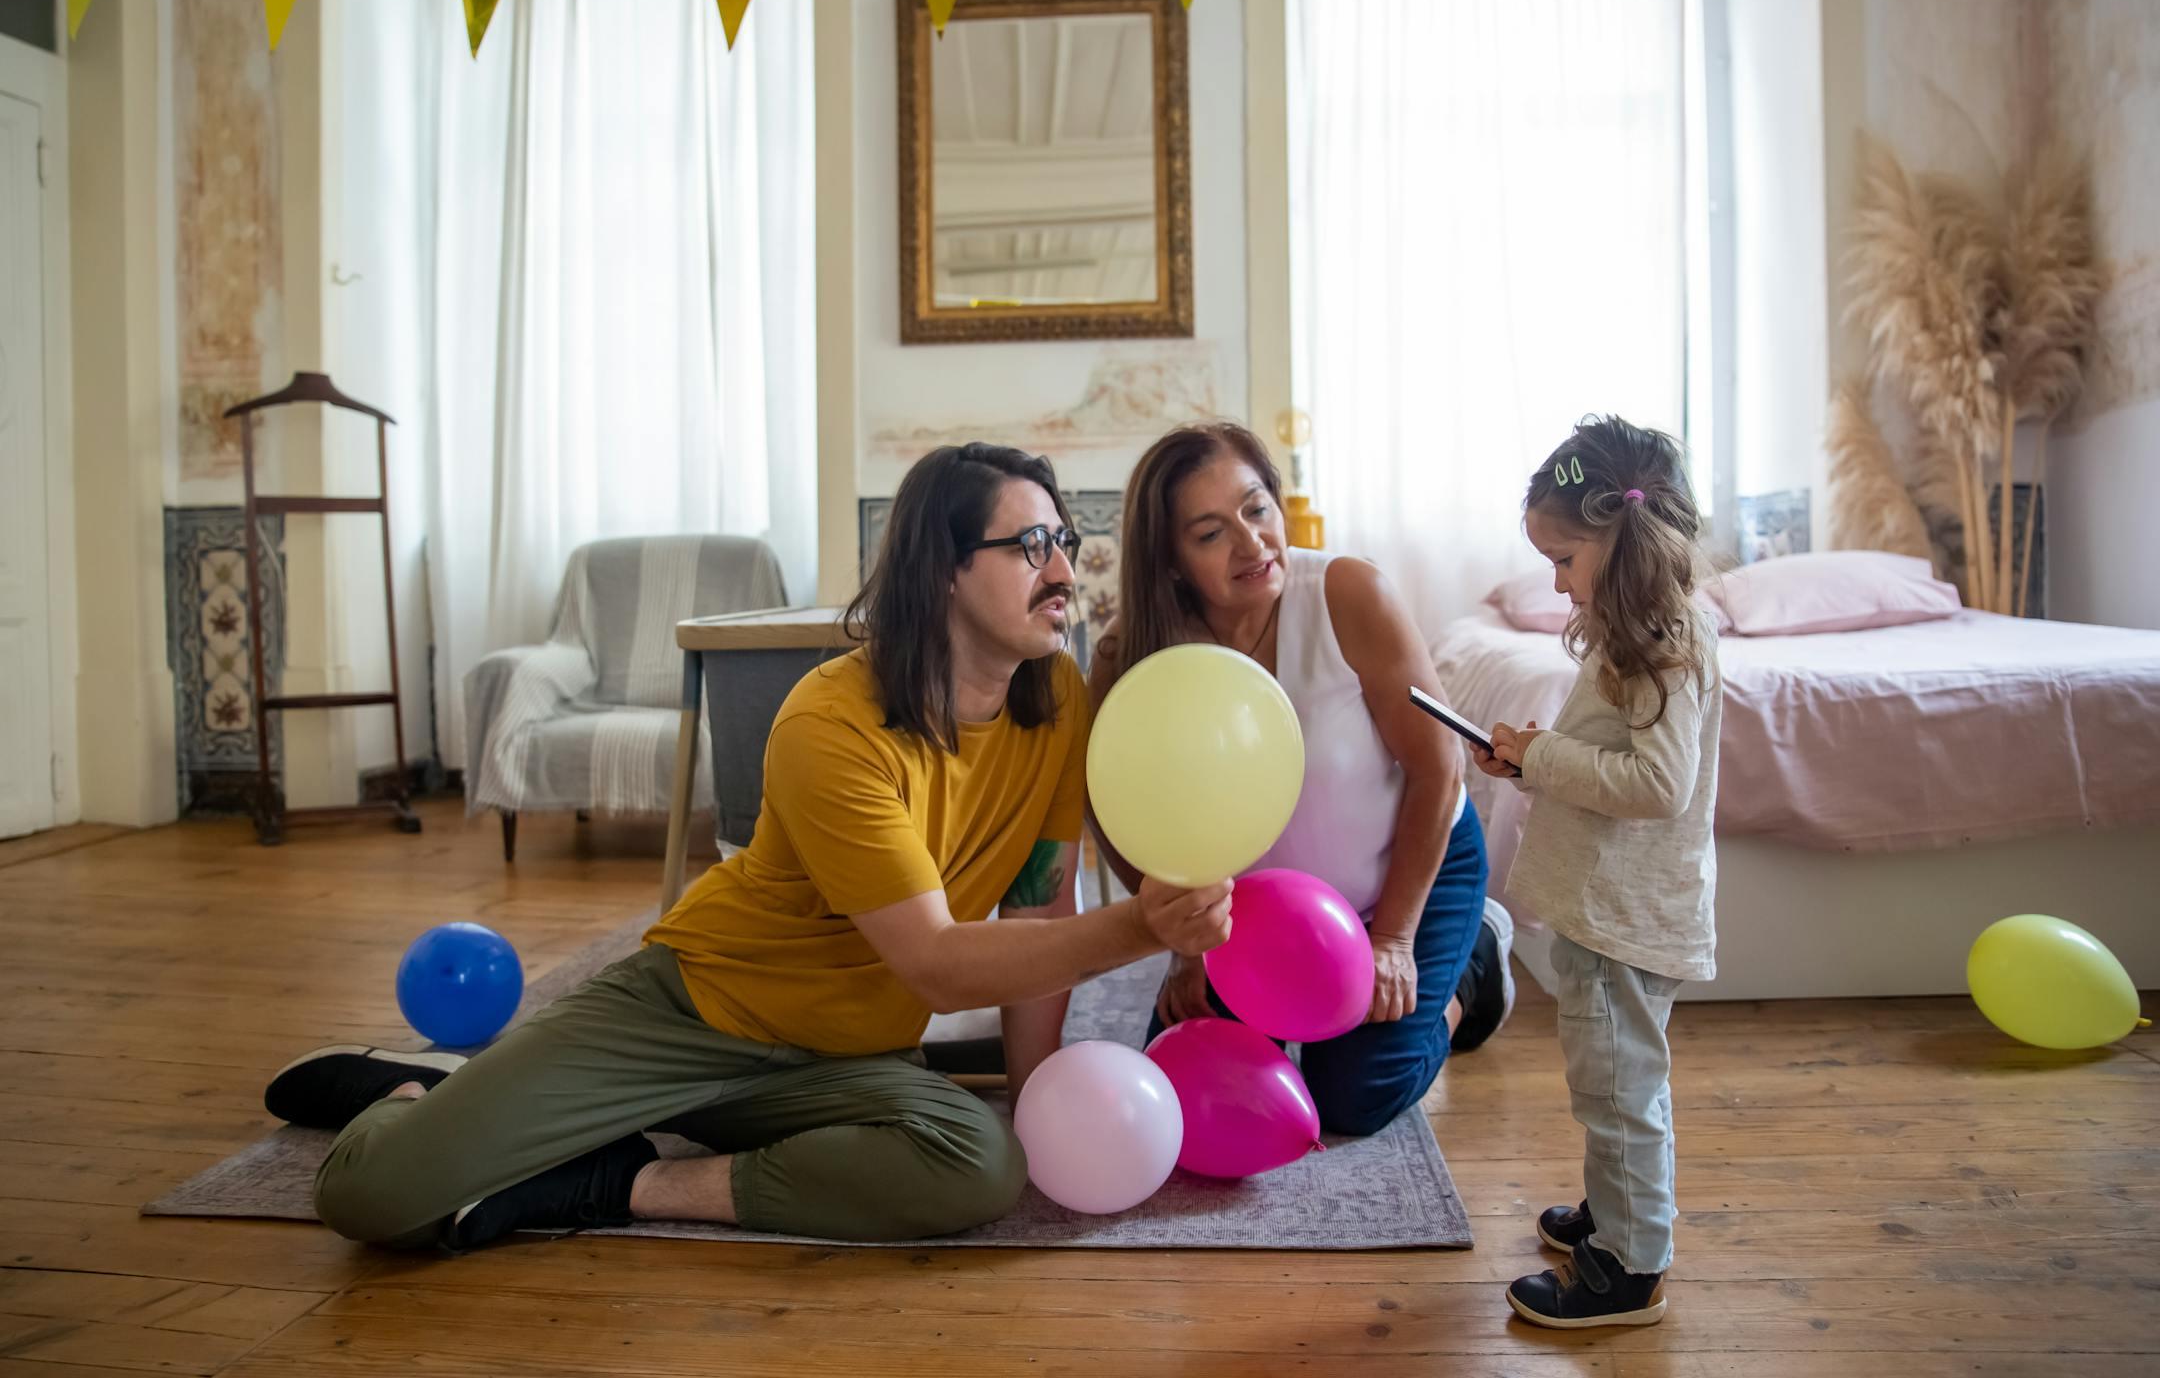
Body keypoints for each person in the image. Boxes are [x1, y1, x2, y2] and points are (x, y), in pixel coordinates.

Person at [260, 443, 1233, 1248]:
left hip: (840, 1059)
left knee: (976, 1167)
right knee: (375, 1200)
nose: (1064, 569)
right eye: (1028, 546)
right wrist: (1141, 926)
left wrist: (1034, 1103)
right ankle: (415, 1091)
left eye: (1064, 540)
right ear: (942, 568)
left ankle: (615, 1184)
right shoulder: (832, 723)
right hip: (696, 1011)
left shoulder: (1055, 703)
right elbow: (937, 965)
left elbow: (1034, 911)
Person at [1088, 422, 1513, 1139]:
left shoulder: (1348, 593)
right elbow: (1118, 814)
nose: (1252, 544)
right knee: (1184, 1078)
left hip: (1410, 869)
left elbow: (1440, 768)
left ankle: (1474, 965)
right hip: (1254, 916)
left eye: (1257, 510)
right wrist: (1187, 945)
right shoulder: (1132, 654)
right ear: (1168, 560)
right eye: (1210, 533)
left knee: (1352, 1097)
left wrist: (1395, 942)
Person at [1476, 415, 1721, 1329]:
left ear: (1629, 543)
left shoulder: (1662, 642)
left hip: (1624, 914)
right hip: (1602, 907)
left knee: (1620, 1090)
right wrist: (1537, 754)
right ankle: (1613, 1212)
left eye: (1566, 557)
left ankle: (1631, 1265)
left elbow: (1659, 784)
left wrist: (1544, 762)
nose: (1555, 578)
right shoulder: (1634, 632)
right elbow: (1604, 756)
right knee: (1608, 1077)